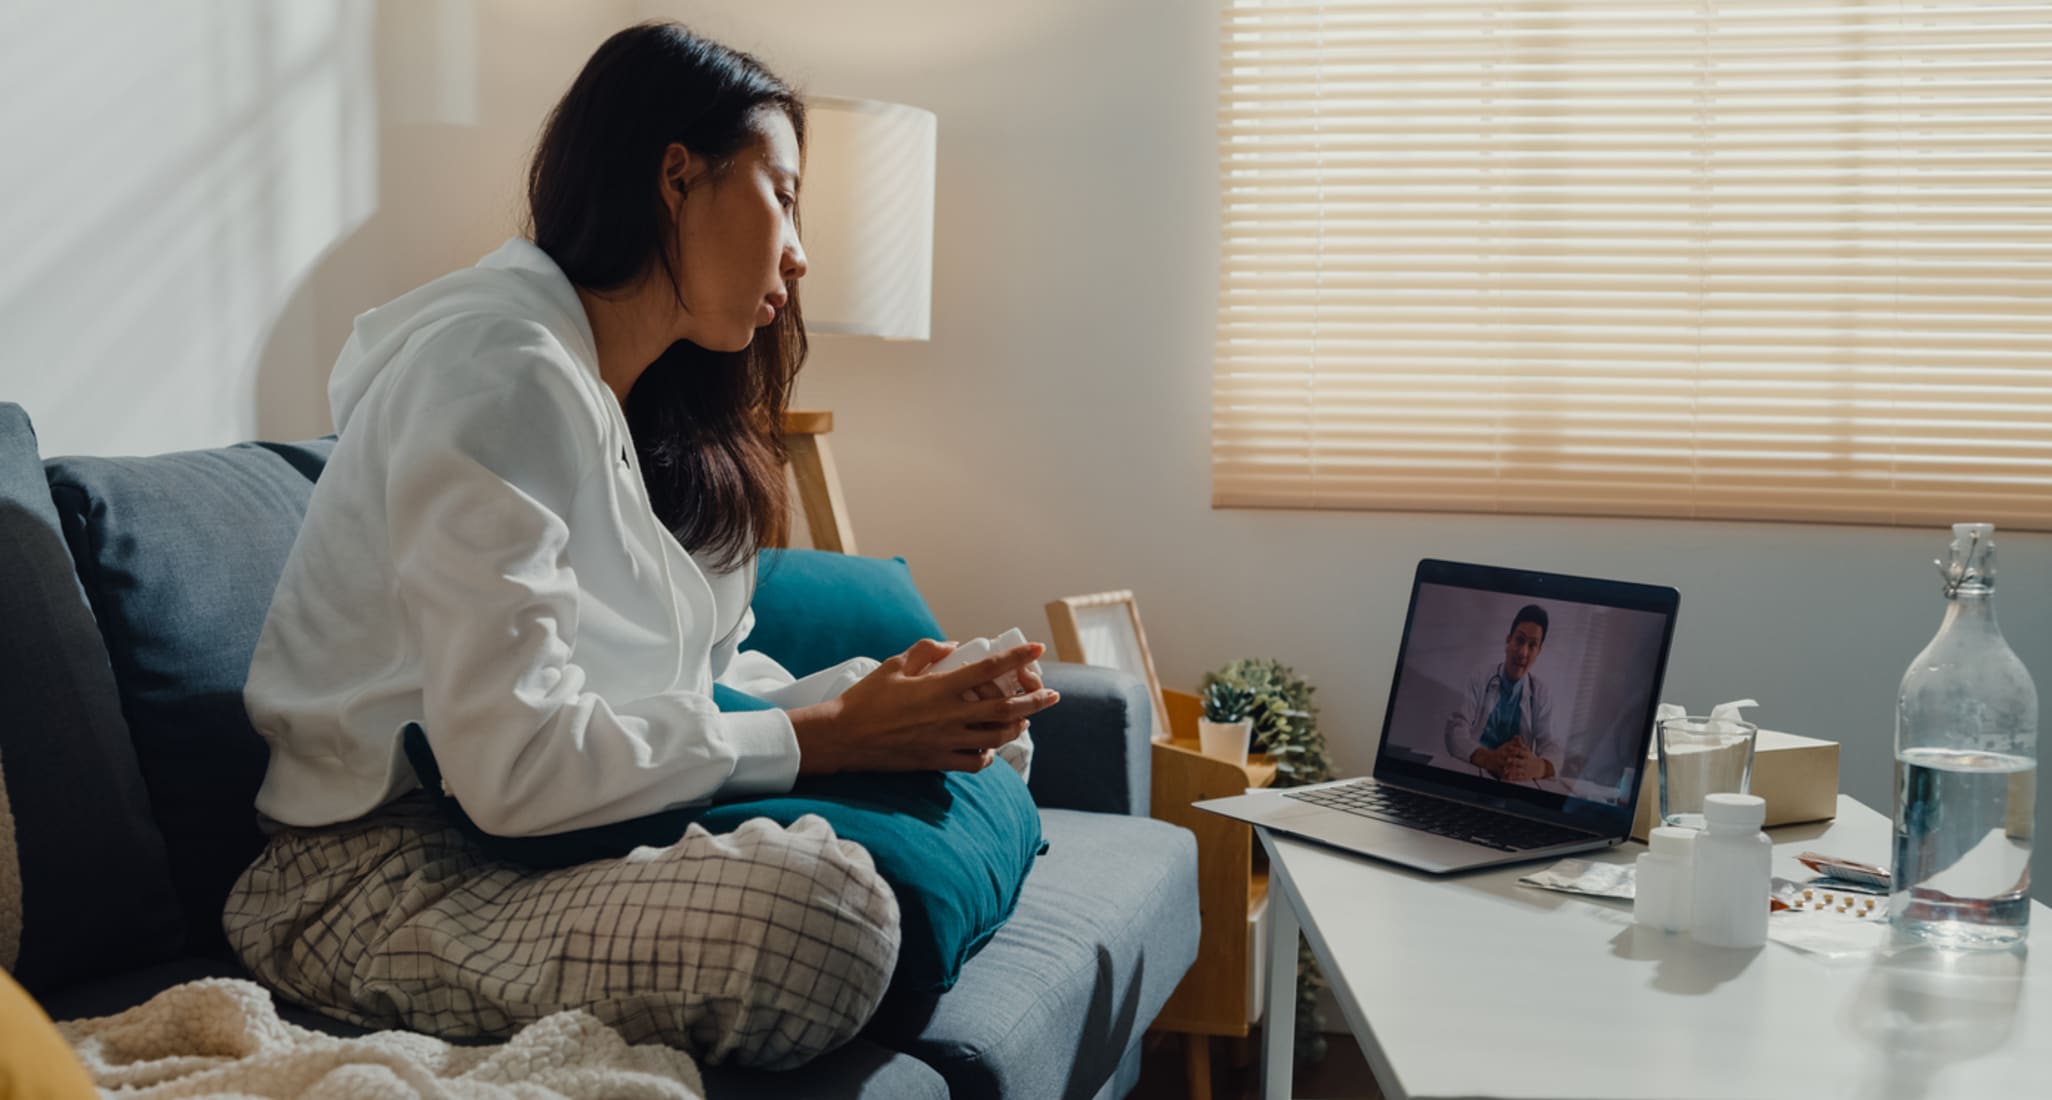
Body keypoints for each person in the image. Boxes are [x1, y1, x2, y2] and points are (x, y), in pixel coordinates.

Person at [223, 22, 1058, 1070]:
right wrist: (834, 732)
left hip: (530, 835)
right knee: (830, 914)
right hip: (384, 875)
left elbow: (693, 681)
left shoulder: (629, 404)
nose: (801, 253)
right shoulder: (493, 371)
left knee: (989, 740)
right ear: (676, 174)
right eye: (784, 195)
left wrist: (875, 696)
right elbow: (518, 766)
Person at [1443, 604, 1560, 782]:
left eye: (1532, 645)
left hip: (1514, 781)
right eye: (1519, 640)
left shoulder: (1541, 693)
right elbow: (1455, 730)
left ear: (1539, 652)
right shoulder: (1479, 677)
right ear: (1508, 641)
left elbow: (1551, 745)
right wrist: (1488, 758)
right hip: (1475, 771)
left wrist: (1537, 767)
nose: (1523, 652)